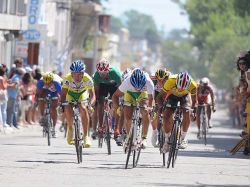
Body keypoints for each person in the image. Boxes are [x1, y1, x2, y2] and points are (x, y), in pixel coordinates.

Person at [112, 68, 154, 151]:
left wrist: (151, 109)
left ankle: (144, 138)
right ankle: (130, 138)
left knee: (145, 111)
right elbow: (115, 96)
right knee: (128, 117)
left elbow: (151, 98)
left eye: (140, 87)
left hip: (143, 94)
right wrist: (117, 108)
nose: (137, 89)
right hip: (129, 94)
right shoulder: (127, 82)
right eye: (136, 87)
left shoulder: (149, 82)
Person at [156, 71, 197, 152]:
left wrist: (193, 111)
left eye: (183, 88)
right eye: (179, 87)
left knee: (187, 111)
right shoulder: (170, 81)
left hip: (185, 97)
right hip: (172, 96)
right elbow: (159, 97)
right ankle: (167, 140)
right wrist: (161, 107)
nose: (180, 90)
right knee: (167, 114)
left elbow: (194, 100)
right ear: (176, 82)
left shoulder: (193, 85)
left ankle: (183, 138)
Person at [61, 60, 95, 147]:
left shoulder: (88, 79)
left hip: (82, 94)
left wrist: (90, 105)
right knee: (67, 106)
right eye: (74, 74)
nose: (77, 77)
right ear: (71, 74)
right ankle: (70, 128)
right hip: (70, 94)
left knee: (83, 108)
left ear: (83, 73)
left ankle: (86, 136)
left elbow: (93, 95)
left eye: (79, 74)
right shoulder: (67, 78)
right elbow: (63, 94)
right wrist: (61, 104)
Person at [92, 58, 122, 139]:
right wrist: (97, 100)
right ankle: (101, 126)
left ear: (108, 70)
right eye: (100, 73)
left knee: (116, 105)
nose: (102, 75)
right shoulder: (96, 76)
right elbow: (97, 90)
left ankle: (116, 128)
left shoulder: (115, 73)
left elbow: (121, 88)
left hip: (114, 86)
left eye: (104, 72)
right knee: (100, 103)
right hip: (103, 86)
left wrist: (118, 99)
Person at [36, 72, 62, 138]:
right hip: (45, 91)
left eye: (49, 83)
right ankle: (43, 116)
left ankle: (53, 129)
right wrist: (38, 100)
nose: (47, 84)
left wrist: (61, 101)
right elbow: (38, 93)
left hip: (55, 92)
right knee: (41, 99)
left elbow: (62, 95)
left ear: (52, 81)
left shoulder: (57, 83)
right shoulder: (41, 82)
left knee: (54, 108)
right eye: (46, 83)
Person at [150, 68, 171, 147]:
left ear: (166, 78)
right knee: (154, 112)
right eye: (159, 80)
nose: (161, 82)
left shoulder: (170, 80)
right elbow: (150, 95)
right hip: (157, 94)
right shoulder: (152, 80)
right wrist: (153, 105)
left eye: (163, 80)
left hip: (167, 93)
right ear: (156, 78)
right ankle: (155, 132)